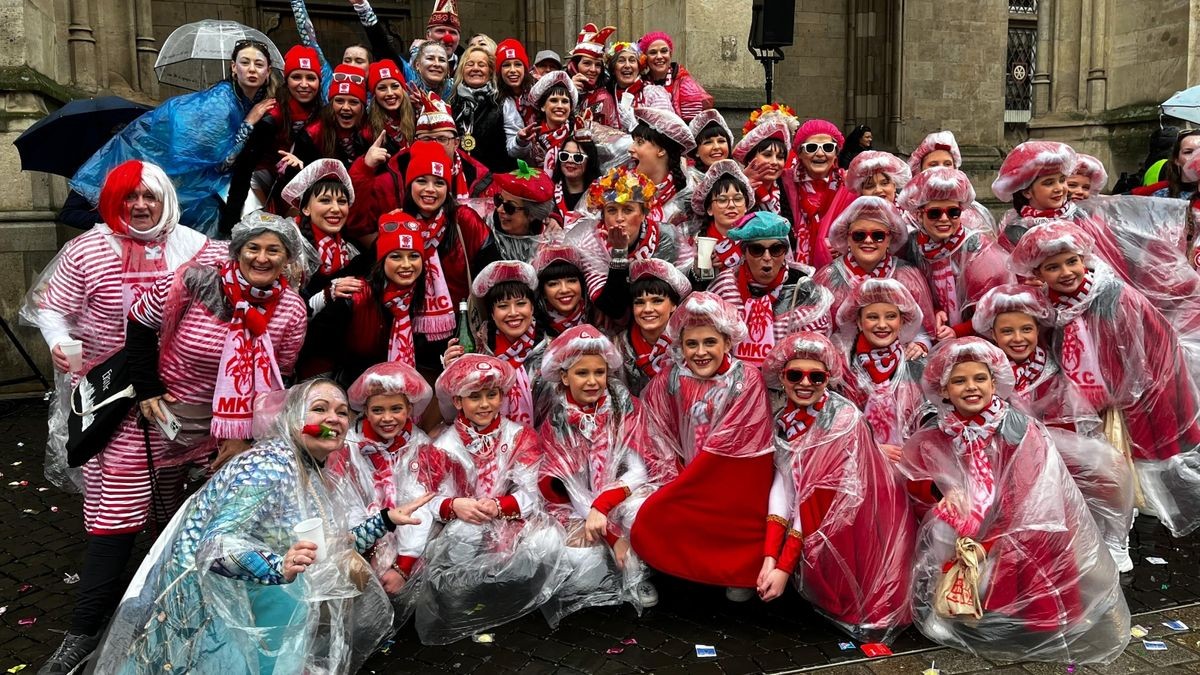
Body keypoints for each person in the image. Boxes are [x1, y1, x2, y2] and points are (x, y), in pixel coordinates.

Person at [38, 211, 309, 674]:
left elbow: (276, 384)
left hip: (219, 434)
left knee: (178, 526)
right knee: (118, 519)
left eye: (274, 250)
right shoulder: (194, 282)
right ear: (237, 250)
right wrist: (145, 390)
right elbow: (139, 323)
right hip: (152, 418)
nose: (262, 258)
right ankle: (81, 634)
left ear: (287, 259)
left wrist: (241, 436)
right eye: (253, 248)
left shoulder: (291, 310)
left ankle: (152, 614)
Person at [91, 379, 434, 673]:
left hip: (258, 601)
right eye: (319, 409)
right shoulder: (267, 466)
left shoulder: (311, 469)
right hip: (206, 607)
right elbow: (216, 547)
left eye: (342, 412)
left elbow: (328, 545)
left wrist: (385, 520)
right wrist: (276, 567)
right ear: (294, 418)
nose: (333, 418)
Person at [899, 338, 1129, 664]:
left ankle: (1023, 616)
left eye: (980, 379)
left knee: (1020, 551)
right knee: (942, 537)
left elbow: (1034, 484)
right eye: (959, 381)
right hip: (963, 513)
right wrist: (944, 494)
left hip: (1016, 512)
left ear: (995, 382)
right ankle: (954, 607)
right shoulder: (937, 430)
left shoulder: (1017, 428)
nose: (971, 387)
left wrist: (995, 523)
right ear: (943, 390)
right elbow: (920, 473)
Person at [1009, 221, 1200, 537]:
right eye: (1053, 267)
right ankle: (1127, 499)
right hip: (1096, 390)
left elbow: (1137, 350)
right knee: (1113, 447)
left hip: (1131, 387)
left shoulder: (1113, 294)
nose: (1067, 272)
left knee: (1138, 444)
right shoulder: (1052, 304)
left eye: (1072, 261)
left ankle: (1144, 501)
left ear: (1084, 258)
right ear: (1038, 274)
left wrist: (1114, 390)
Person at [757, 332, 916, 644]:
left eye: (816, 376)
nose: (805, 383)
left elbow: (818, 498)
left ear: (828, 378)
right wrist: (768, 558)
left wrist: (784, 568)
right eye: (795, 375)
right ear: (782, 377)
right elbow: (785, 487)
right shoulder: (782, 421)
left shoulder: (842, 420)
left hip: (858, 516)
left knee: (858, 598)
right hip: (819, 515)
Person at [971, 284, 1136, 572]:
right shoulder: (985, 373)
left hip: (1059, 449)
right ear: (992, 334)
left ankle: (1114, 536)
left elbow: (1074, 419)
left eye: (1026, 329)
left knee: (1112, 468)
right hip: (1010, 460)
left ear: (1038, 330)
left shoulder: (1053, 365)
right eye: (1007, 331)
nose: (1018, 338)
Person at [630, 293, 776, 602]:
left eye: (710, 342)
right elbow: (653, 430)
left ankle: (736, 573)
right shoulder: (670, 378)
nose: (700, 352)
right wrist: (674, 473)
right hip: (684, 474)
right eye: (691, 344)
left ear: (727, 341)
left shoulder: (745, 379)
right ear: (679, 346)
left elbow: (746, 440)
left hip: (730, 483)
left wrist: (705, 474)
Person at [414, 354, 567, 644]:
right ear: (458, 401)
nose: (484, 404)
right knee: (463, 536)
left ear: (502, 396)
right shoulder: (443, 445)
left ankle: (517, 595)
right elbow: (427, 497)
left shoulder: (519, 435)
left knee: (548, 539)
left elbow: (532, 490)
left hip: (510, 519)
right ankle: (463, 597)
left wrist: (501, 506)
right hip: (466, 521)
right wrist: (454, 505)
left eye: (492, 395)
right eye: (474, 397)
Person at [72, 39, 279, 235]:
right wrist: (248, 124)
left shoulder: (253, 101)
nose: (252, 69)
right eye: (245, 62)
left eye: (258, 64)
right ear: (234, 68)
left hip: (197, 185)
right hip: (168, 171)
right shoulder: (220, 103)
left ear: (267, 71)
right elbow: (221, 164)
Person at [536, 325, 664, 625]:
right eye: (582, 373)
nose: (593, 381)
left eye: (599, 372)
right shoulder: (557, 419)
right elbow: (569, 488)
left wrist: (602, 506)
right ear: (564, 376)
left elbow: (638, 470)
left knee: (642, 514)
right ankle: (612, 565)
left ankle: (638, 574)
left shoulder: (624, 407)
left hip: (617, 498)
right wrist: (611, 534)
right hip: (581, 508)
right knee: (578, 571)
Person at [330, 362, 438, 623]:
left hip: (408, 539)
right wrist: (372, 538)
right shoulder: (349, 447)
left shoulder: (420, 445)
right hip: (364, 536)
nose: (387, 418)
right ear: (364, 410)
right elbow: (344, 500)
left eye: (396, 409)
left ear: (410, 409)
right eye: (377, 410)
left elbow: (420, 504)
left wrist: (403, 565)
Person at [298, 212, 431, 382]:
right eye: (395, 256)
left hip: (393, 391)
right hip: (343, 387)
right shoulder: (353, 296)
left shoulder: (426, 298)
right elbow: (315, 356)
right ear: (381, 261)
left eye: (414, 256)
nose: (406, 265)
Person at [897, 167, 1014, 337]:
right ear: (918, 215)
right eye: (935, 213)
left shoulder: (979, 250)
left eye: (953, 212)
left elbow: (995, 312)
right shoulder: (912, 246)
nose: (944, 219)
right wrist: (934, 311)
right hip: (930, 334)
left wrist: (958, 331)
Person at [709, 212, 834, 367]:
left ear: (785, 253)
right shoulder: (725, 287)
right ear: (744, 253)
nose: (767, 257)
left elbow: (816, 352)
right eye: (757, 250)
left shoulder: (804, 291)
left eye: (776, 249)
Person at [222, 44, 325, 228]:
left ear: (319, 81)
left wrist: (302, 166)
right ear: (287, 80)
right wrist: (230, 218)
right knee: (259, 227)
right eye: (296, 77)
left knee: (296, 228)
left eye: (310, 78)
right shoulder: (273, 114)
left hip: (298, 181)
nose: (303, 84)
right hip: (261, 177)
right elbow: (246, 165)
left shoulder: (324, 116)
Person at [835, 278, 931, 462]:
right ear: (859, 322)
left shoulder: (917, 366)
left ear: (902, 321)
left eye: (890, 316)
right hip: (858, 467)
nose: (882, 324)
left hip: (909, 469)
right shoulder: (844, 369)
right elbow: (838, 428)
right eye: (872, 317)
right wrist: (871, 449)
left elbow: (930, 427)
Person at [444, 260, 549, 427]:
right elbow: (449, 414)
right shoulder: (477, 354)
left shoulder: (550, 353)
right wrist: (451, 376)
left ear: (532, 308)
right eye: (503, 306)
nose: (513, 313)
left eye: (521, 304)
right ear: (492, 314)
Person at [815, 196, 935, 340]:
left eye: (878, 235)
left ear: (891, 238)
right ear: (846, 237)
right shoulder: (827, 278)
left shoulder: (908, 275)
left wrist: (920, 345)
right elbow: (817, 333)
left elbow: (924, 331)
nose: (868, 241)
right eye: (859, 235)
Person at [279, 159, 365, 314]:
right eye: (325, 201)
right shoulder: (287, 250)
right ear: (305, 208)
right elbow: (286, 313)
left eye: (342, 201)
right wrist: (326, 295)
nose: (336, 209)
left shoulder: (351, 250)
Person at [613, 259, 692, 395]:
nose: (648, 309)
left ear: (674, 305)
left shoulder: (687, 343)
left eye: (657, 301)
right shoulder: (618, 347)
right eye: (640, 302)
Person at [782, 118, 847, 269]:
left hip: (838, 271)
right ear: (800, 154)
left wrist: (846, 246)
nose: (820, 153)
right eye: (811, 147)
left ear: (836, 153)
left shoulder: (849, 184)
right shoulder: (784, 182)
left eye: (828, 147)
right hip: (794, 270)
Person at [475, 160, 557, 269]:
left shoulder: (549, 240)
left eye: (510, 207)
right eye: (499, 200)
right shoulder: (481, 232)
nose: (499, 209)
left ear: (532, 214)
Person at [629, 106, 696, 228]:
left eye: (639, 142)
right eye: (633, 142)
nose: (630, 149)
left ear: (661, 150)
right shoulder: (618, 186)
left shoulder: (687, 198)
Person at [295, 64, 373, 167]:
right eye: (339, 101)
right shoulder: (312, 135)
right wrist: (293, 169)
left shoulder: (372, 132)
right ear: (331, 104)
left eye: (353, 102)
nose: (345, 107)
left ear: (362, 107)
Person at [688, 159, 753, 279]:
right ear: (709, 209)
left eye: (738, 199)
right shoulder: (697, 241)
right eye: (722, 200)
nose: (732, 205)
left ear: (746, 206)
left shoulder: (757, 235)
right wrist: (699, 272)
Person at [451, 45, 512, 173]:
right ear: (462, 69)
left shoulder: (502, 102)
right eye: (470, 64)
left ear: (490, 71)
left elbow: (514, 147)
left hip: (494, 179)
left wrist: (521, 140)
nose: (475, 68)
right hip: (460, 178)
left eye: (481, 65)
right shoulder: (451, 102)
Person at [733, 104, 797, 216]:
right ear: (750, 159)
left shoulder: (789, 188)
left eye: (780, 157)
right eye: (767, 155)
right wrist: (741, 187)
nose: (774, 162)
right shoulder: (734, 190)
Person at [637, 31, 713, 122]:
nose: (659, 56)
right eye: (653, 52)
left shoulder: (686, 84)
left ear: (670, 54)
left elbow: (693, 123)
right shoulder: (640, 83)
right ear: (645, 58)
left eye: (664, 51)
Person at [515, 70, 580, 173]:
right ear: (542, 107)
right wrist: (521, 142)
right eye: (554, 100)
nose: (560, 106)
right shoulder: (532, 135)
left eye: (565, 101)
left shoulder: (578, 132)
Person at [608, 41, 671, 132]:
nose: (627, 65)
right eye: (621, 61)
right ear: (613, 69)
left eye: (632, 60)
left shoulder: (654, 93)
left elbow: (666, 131)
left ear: (639, 68)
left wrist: (634, 126)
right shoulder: (608, 96)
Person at [569, 23, 619, 127]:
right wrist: (569, 92)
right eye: (587, 63)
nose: (593, 70)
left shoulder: (603, 97)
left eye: (598, 65)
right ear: (574, 66)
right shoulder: (563, 90)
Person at [497, 39, 537, 161]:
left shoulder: (539, 93)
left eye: (518, 64)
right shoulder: (496, 102)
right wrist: (521, 140)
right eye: (506, 65)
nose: (512, 70)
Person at [366, 59, 416, 155]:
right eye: (382, 88)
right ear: (374, 94)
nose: (390, 93)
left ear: (403, 89)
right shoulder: (367, 129)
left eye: (395, 86)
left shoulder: (417, 118)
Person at [550, 128, 601, 218]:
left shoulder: (601, 195)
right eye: (564, 156)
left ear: (590, 161)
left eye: (578, 157)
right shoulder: (549, 193)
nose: (570, 160)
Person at [841, 150, 912, 204]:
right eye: (869, 186)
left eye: (884, 183)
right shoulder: (852, 219)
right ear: (861, 192)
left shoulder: (910, 218)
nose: (878, 190)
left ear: (894, 186)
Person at [688, 109, 735, 175]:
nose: (716, 147)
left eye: (721, 141)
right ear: (696, 151)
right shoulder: (688, 181)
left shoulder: (742, 179)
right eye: (708, 142)